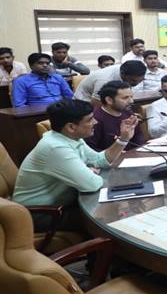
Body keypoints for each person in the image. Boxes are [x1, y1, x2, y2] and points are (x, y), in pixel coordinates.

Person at [12, 99, 136, 231]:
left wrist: (123, 139)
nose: (95, 122)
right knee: (110, 218)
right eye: (90, 119)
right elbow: (91, 184)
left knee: (116, 208)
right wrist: (89, 172)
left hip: (64, 203)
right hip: (39, 214)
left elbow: (100, 161)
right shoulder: (55, 147)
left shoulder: (70, 138)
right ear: (71, 127)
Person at [85, 81, 144, 152]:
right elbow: (90, 150)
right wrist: (114, 153)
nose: (131, 101)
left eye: (131, 97)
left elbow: (138, 136)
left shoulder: (128, 113)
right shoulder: (94, 120)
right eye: (125, 98)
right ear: (109, 100)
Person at [74, 61, 146, 103]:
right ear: (122, 74)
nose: (136, 83)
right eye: (133, 81)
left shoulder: (127, 71)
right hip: (84, 103)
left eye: (140, 80)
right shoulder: (104, 80)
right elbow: (96, 102)